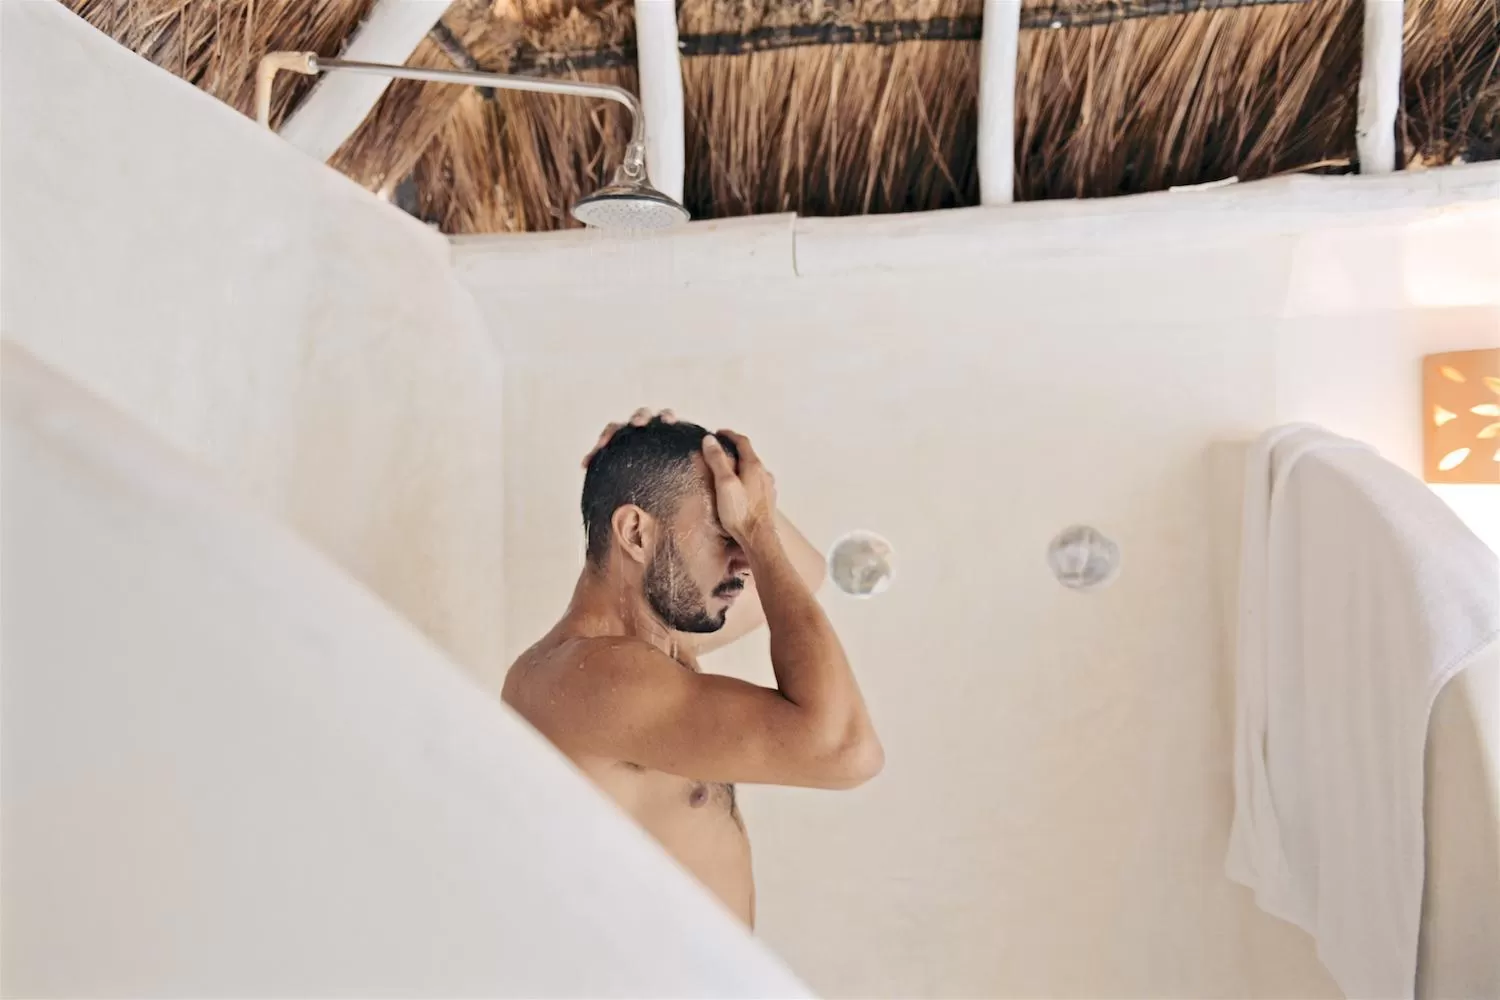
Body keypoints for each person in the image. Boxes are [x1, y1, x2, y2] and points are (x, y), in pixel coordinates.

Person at [502, 409, 883, 927]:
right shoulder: (593, 677)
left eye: (739, 533)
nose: (745, 559)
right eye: (722, 535)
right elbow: (844, 750)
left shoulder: (651, 643)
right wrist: (757, 529)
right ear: (636, 534)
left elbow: (806, 573)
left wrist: (714, 463)